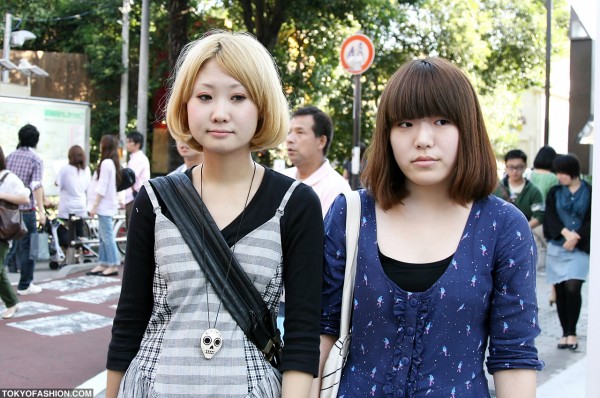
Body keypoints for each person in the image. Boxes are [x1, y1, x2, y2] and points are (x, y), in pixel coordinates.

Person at [106, 31, 323, 398]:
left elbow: (303, 333)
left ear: (262, 107)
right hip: (154, 387)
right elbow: (129, 321)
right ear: (185, 107)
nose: (220, 113)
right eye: (205, 96)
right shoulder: (155, 200)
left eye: (238, 97)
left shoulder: (296, 203)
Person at [316, 58, 542, 398]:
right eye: (405, 123)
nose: (423, 139)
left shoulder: (504, 226)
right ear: (387, 132)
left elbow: (514, 356)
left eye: (442, 121)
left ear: (467, 128)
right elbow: (321, 331)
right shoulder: (351, 213)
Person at [543, 154, 590, 352]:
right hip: (558, 246)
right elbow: (550, 216)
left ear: (572, 172)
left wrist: (576, 236)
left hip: (579, 247)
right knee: (561, 289)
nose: (559, 176)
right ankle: (564, 333)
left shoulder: (590, 191)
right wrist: (565, 233)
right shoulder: (555, 192)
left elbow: (591, 218)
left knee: (573, 287)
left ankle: (572, 331)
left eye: (562, 173)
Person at [282, 106, 349, 216]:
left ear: (321, 141)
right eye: (289, 132)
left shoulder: (337, 190)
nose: (289, 139)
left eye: (300, 132)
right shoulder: (282, 178)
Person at [6, 124, 46, 295]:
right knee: (28, 247)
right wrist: (42, 211)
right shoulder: (36, 160)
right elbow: (36, 186)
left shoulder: (10, 157)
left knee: (8, 246)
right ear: (36, 140)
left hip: (7, 210)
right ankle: (25, 285)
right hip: (26, 210)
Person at [0, 145, 31, 318]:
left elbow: (25, 198)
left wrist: (2, 196)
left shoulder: (9, 178)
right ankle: (12, 302)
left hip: (2, 232)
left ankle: (12, 303)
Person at [85, 135, 122, 277]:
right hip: (104, 206)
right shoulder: (110, 163)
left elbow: (102, 186)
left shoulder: (106, 163)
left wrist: (94, 206)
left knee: (106, 236)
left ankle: (112, 263)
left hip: (103, 206)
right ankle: (104, 262)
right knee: (103, 236)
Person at [529, 145, 558, 303]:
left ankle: (532, 295)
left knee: (531, 260)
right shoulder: (553, 178)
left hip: (529, 221)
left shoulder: (530, 174)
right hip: (545, 222)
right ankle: (554, 292)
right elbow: (553, 202)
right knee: (552, 259)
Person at [494, 149, 544, 229]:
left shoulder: (533, 191)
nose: (515, 171)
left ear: (525, 166)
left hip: (524, 234)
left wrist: (522, 229)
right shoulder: (495, 188)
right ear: (505, 166)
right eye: (511, 167)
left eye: (519, 167)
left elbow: (539, 216)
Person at [55, 145, 91, 246]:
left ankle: (69, 255)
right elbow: (88, 187)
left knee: (65, 234)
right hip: (81, 207)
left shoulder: (65, 169)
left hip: (67, 209)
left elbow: (57, 183)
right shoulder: (86, 170)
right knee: (80, 234)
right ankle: (80, 253)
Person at [123, 131, 150, 227]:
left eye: (129, 142)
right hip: (133, 197)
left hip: (136, 198)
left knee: (133, 228)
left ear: (137, 144)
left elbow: (130, 178)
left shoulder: (140, 159)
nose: (127, 144)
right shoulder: (134, 158)